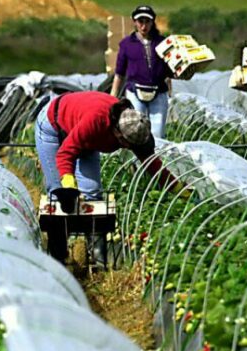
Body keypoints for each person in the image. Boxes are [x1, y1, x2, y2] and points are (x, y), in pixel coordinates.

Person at [35, 90, 176, 263]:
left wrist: (176, 187)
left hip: (86, 137)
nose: (126, 147)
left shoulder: (134, 126)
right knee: (58, 193)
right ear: (117, 132)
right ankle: (58, 256)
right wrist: (69, 187)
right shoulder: (96, 121)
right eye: (125, 144)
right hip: (53, 124)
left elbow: (151, 163)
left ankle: (97, 256)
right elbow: (65, 154)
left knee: (92, 192)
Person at [110, 5, 172, 139]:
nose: (144, 26)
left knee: (158, 132)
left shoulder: (162, 43)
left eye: (147, 22)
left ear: (152, 22)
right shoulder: (126, 44)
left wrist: (171, 87)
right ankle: (137, 159)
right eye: (140, 22)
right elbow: (119, 73)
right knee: (135, 131)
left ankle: (156, 158)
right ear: (135, 22)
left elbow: (169, 69)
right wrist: (113, 97)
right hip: (135, 91)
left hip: (159, 91)